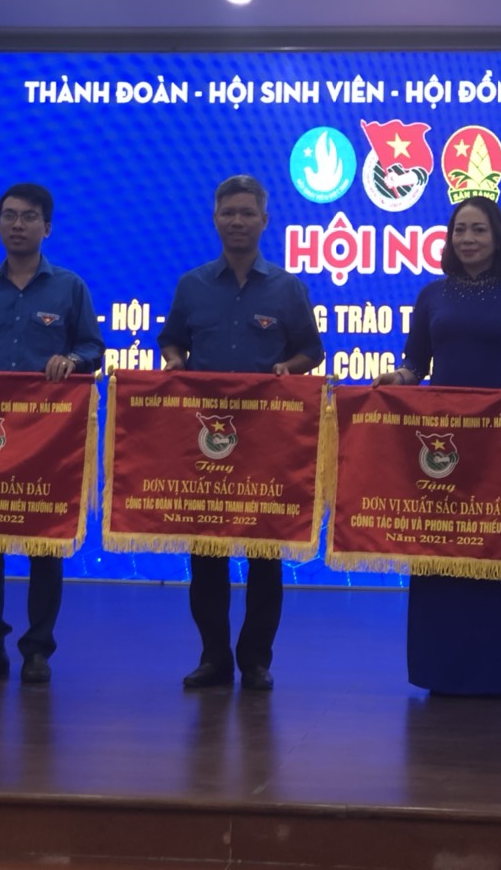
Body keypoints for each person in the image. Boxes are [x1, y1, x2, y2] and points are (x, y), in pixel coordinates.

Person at [375, 195, 501, 696]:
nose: (468, 239)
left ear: (497, 238)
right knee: (440, 545)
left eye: (478, 230)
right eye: (459, 230)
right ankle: (440, 670)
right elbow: (415, 363)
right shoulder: (432, 295)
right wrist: (398, 378)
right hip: (442, 443)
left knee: (495, 542)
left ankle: (498, 671)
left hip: (497, 444)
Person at [0, 183, 103, 685]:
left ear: (46, 227)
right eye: (9, 216)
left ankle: (37, 651)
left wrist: (71, 359)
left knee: (44, 544)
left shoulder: (69, 287)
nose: (17, 225)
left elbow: (93, 348)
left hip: (47, 437)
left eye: (29, 217)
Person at [158, 175, 324, 692]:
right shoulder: (192, 285)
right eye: (228, 212)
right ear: (215, 219)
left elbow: (312, 350)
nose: (237, 221)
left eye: (247, 213)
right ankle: (213, 657)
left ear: (264, 221)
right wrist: (175, 362)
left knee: (263, 555)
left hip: (264, 442)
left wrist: (288, 369)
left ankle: (255, 661)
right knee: (207, 556)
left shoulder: (287, 288)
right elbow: (171, 340)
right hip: (206, 441)